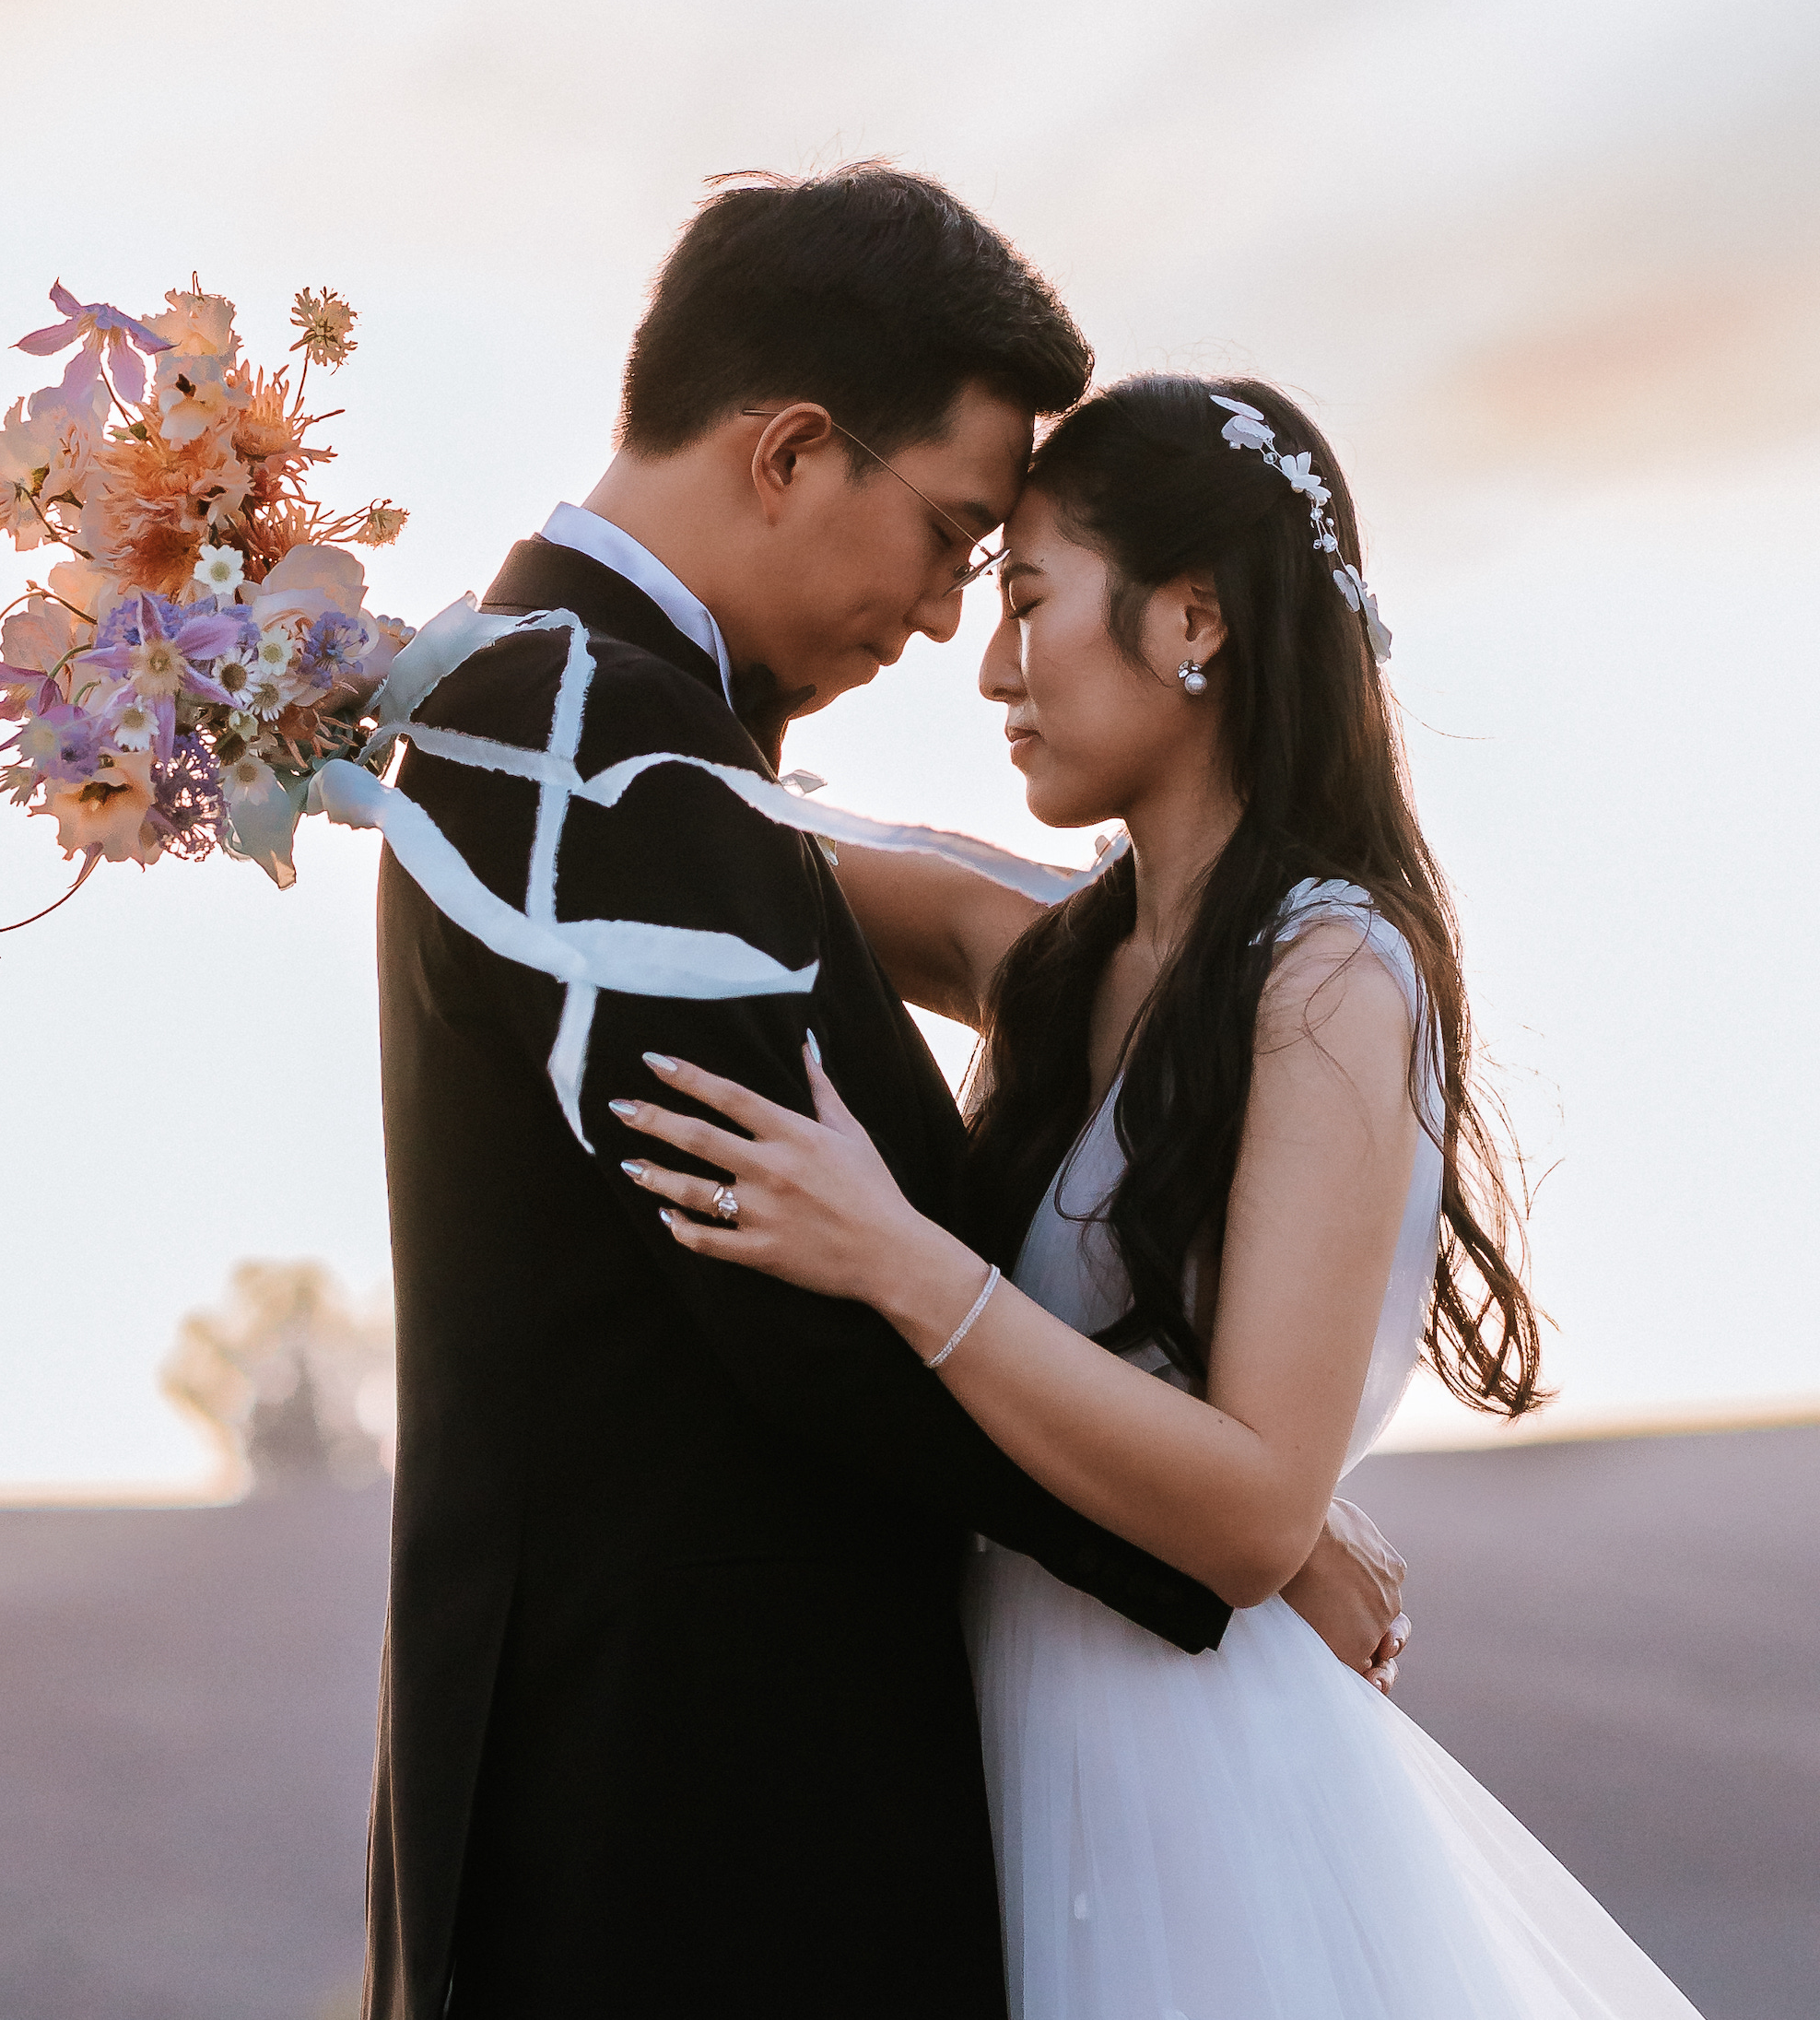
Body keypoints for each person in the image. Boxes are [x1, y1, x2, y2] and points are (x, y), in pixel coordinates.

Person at [363, 180, 1404, 2020]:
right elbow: (796, 1297)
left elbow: (948, 960)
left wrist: (1226, 1478)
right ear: (787, 453)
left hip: (707, 1823)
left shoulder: (593, 727)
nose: (948, 627)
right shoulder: (589, 750)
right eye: (946, 542)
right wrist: (1226, 1531)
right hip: (667, 1844)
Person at [616, 371, 1704, 2019]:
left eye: (1030, 601)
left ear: (1192, 619)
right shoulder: (1064, 952)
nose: (989, 666)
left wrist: (902, 1265)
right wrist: (340, 683)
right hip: (998, 1717)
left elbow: (1258, 1508)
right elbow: (748, 837)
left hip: (1183, 1778)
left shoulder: (1335, 972)